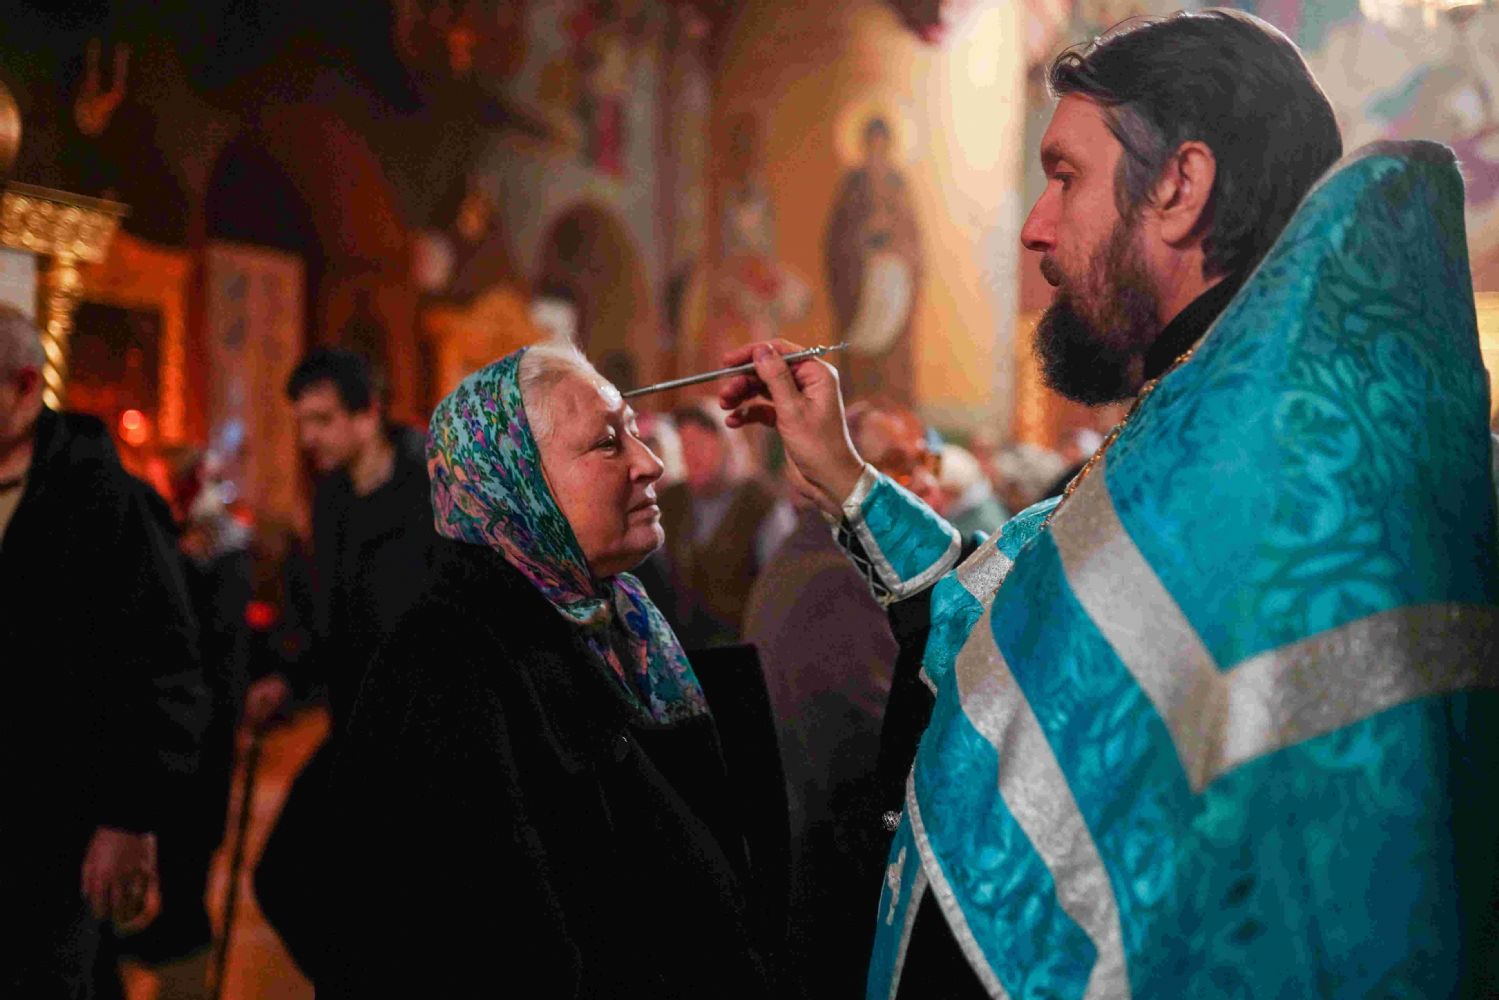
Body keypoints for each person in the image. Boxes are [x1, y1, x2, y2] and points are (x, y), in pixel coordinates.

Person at [722, 10, 1499, 996]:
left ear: (1178, 186)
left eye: (1064, 176)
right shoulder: (1198, 427)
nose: (1034, 226)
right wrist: (843, 475)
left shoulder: (1280, 466)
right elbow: (1012, 623)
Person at [323, 344, 769, 997]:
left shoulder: (621, 619)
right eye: (608, 443)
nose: (650, 463)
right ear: (515, 483)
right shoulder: (447, 666)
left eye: (635, 433)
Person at [0, 305, 206, 997]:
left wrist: (130, 815)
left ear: (25, 386)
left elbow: (165, 667)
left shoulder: (105, 501)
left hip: (55, 820)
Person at [249, 347, 438, 980]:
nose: (308, 438)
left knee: (394, 906)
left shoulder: (431, 490)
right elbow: (321, 614)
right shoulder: (331, 499)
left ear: (369, 413)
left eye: (323, 420)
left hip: (422, 740)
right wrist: (286, 677)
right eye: (302, 422)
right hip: (355, 727)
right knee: (284, 878)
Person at [655, 403, 792, 648]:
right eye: (685, 446)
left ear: (727, 446)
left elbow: (781, 587)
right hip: (684, 646)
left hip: (745, 645)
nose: (691, 455)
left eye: (700, 444)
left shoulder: (761, 502)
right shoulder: (672, 500)